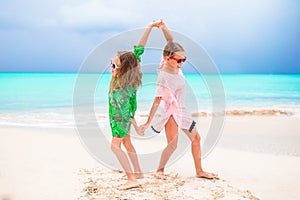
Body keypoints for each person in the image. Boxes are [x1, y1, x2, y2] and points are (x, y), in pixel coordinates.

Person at [141, 20, 218, 180]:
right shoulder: (164, 75)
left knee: (196, 138)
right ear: (167, 58)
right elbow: (157, 101)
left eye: (184, 60)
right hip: (170, 113)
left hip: (181, 110)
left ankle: (199, 171)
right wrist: (148, 122)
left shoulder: (172, 63)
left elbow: (169, 42)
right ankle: (159, 170)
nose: (181, 63)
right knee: (173, 145)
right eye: (179, 60)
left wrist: (163, 28)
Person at [109, 20, 162, 190]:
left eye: (114, 66)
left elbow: (125, 113)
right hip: (120, 116)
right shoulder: (131, 70)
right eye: (111, 64)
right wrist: (149, 27)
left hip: (119, 118)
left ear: (124, 68)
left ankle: (131, 178)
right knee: (127, 143)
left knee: (115, 146)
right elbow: (139, 49)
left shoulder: (121, 87)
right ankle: (137, 171)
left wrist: (136, 125)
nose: (111, 68)